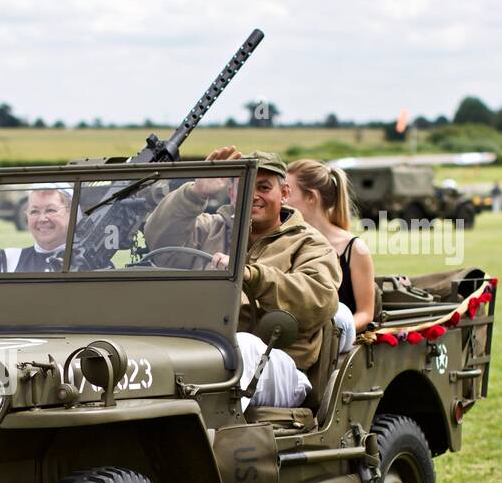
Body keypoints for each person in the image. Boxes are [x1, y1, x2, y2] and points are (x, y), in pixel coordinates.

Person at [144, 147, 341, 372]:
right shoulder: (210, 228)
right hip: (203, 350)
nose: (254, 195)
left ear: (285, 193)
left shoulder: (308, 243)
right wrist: (195, 193)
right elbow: (157, 238)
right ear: (231, 194)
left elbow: (320, 300)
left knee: (246, 347)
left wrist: (251, 275)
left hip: (279, 362)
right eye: (244, 187)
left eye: (264, 187)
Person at [286, 159, 375, 352]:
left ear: (311, 197)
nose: (282, 199)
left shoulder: (354, 248)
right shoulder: (286, 242)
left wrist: (329, 332)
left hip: (335, 346)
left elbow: (366, 313)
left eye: (288, 192)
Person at [0, 185, 71, 273]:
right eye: (34, 211)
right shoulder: (7, 260)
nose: (42, 219)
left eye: (50, 210)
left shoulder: (86, 259)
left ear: (70, 213)